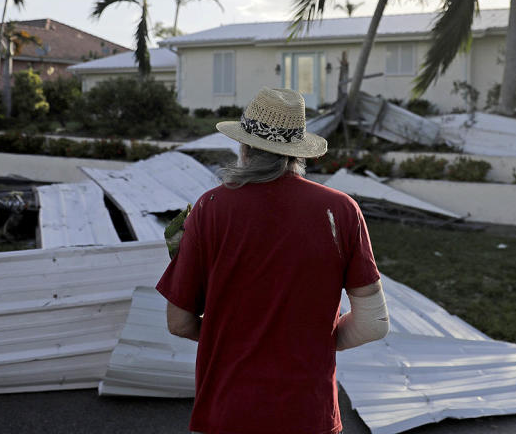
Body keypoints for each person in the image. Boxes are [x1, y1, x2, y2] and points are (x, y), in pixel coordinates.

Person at [156, 87, 389, 434]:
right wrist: (313, 343)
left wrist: (234, 339)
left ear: (244, 147)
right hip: (308, 412)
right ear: (296, 152)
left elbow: (179, 322)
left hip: (228, 409)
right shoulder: (341, 210)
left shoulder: (211, 208)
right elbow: (374, 324)